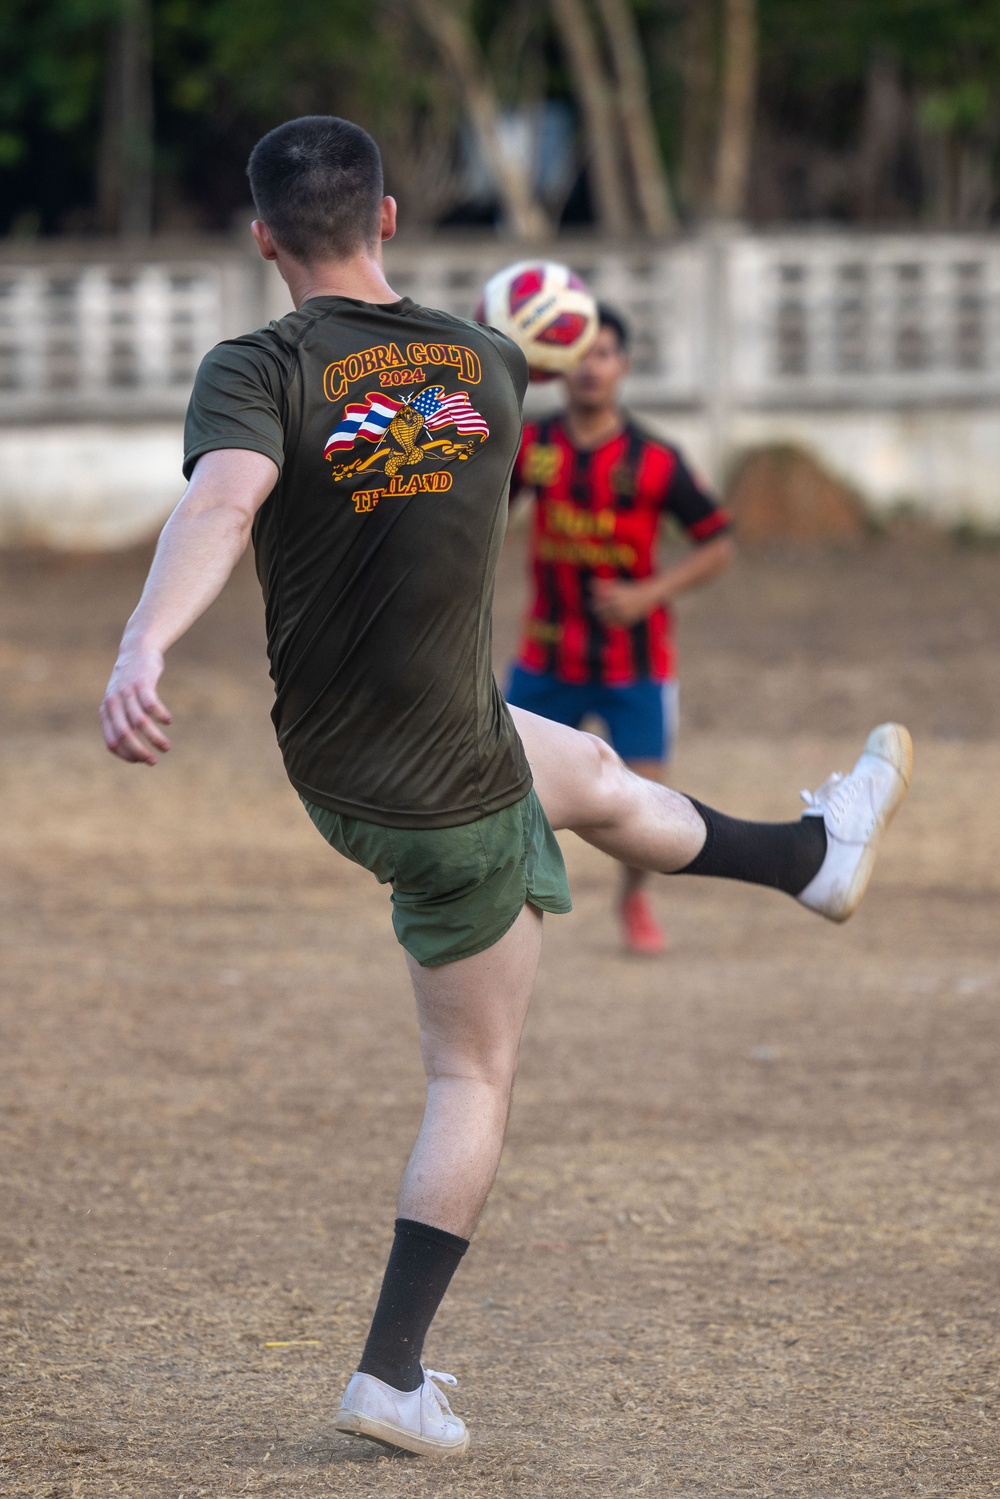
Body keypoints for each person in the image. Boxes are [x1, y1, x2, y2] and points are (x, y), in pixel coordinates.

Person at [100, 116, 912, 1460]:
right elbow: (396, 497)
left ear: (261, 239)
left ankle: (808, 856)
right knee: (471, 1073)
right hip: (444, 785)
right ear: (393, 218)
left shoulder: (253, 366)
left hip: (352, 749)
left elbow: (224, 503)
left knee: (591, 769)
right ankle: (388, 1371)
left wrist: (146, 639)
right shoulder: (486, 362)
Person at [506, 305, 734, 954]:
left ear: (624, 367)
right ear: (557, 368)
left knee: (647, 798)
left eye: (603, 353)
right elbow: (489, 510)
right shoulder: (532, 446)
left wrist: (647, 593)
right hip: (546, 654)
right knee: (505, 788)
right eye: (578, 355)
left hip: (634, 661)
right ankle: (513, 896)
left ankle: (634, 896)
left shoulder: (656, 459)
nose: (589, 368)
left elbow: (718, 542)